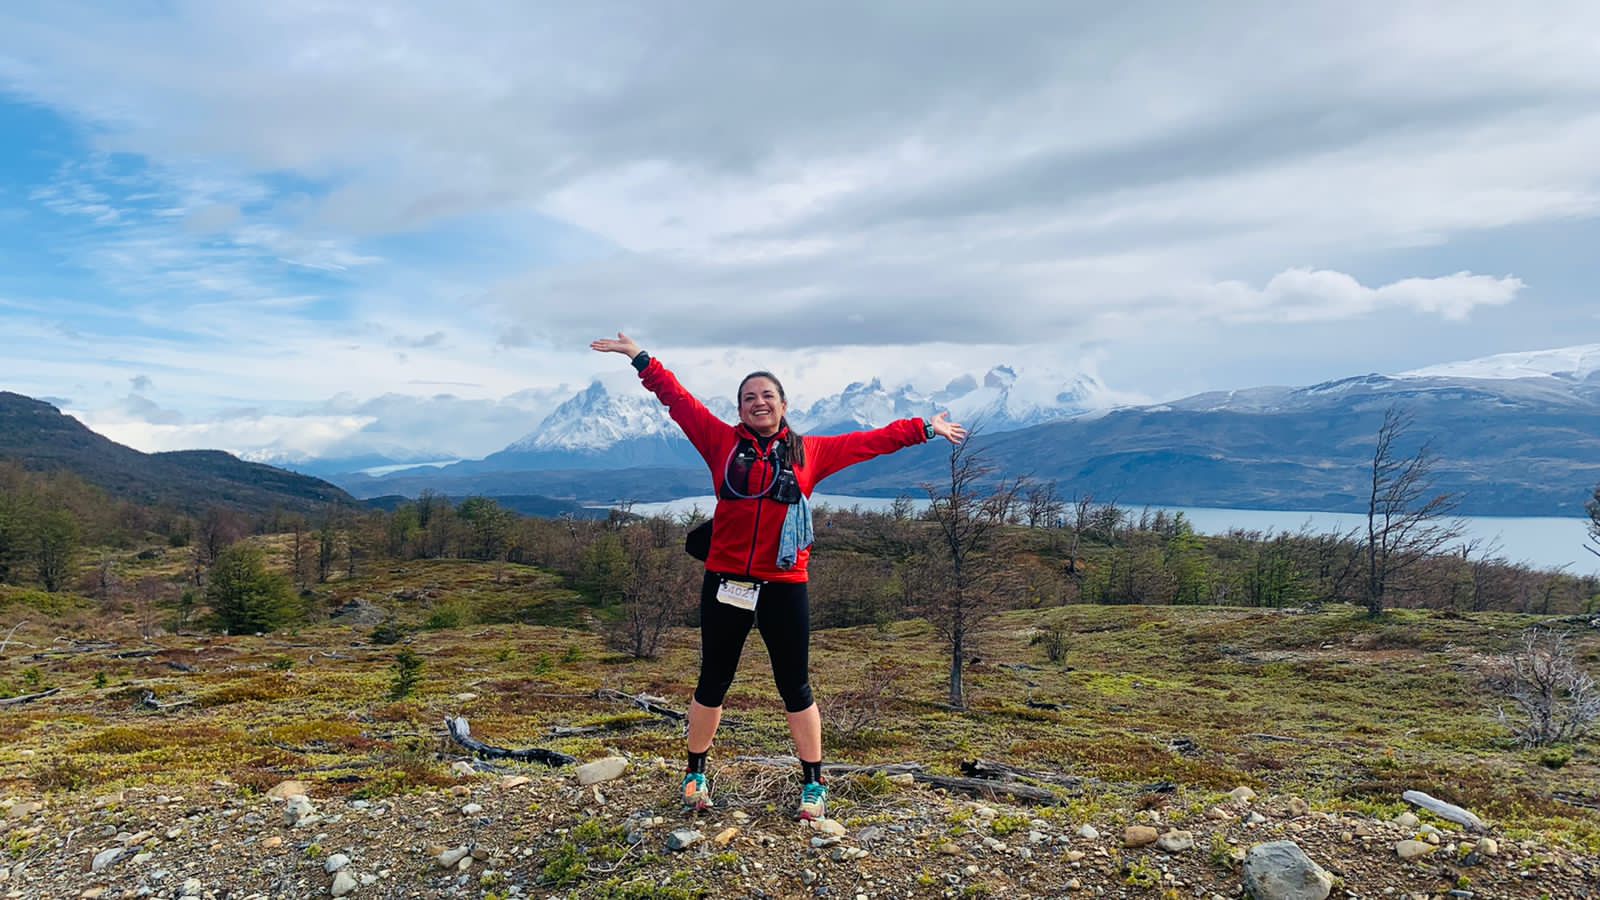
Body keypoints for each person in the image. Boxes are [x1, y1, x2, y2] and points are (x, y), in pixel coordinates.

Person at [591, 332, 966, 820]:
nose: (758, 403)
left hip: (785, 586)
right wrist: (640, 358)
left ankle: (813, 782)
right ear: (740, 409)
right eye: (749, 398)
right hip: (726, 582)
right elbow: (677, 401)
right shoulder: (720, 441)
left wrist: (925, 428)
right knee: (713, 680)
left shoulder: (811, 452)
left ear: (784, 404)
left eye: (767, 395)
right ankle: (695, 773)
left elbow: (871, 443)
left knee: (795, 685)